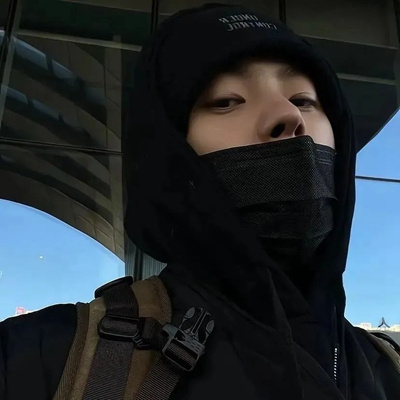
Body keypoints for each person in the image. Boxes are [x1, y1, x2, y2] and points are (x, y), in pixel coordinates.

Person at [1, 3, 400, 399]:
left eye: (304, 99)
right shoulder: (39, 358)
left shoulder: (387, 367)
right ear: (169, 154)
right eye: (226, 101)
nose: (288, 113)